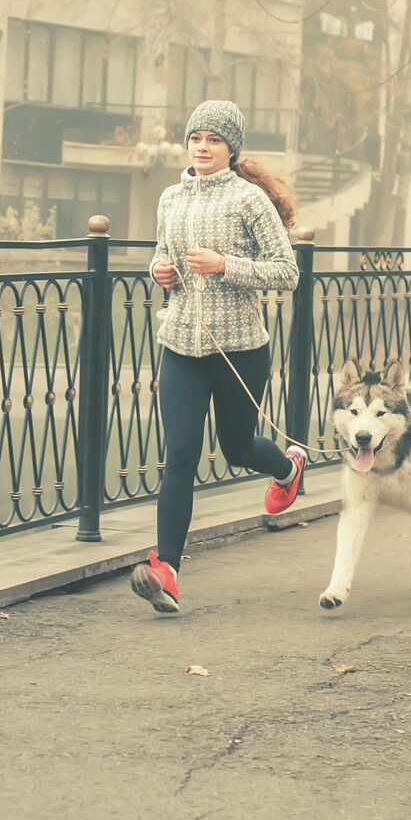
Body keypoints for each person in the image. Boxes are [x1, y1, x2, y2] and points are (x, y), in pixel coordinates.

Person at [130, 99, 304, 614]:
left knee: (235, 447)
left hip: (240, 347)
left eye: (214, 140)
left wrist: (226, 264)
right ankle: (167, 570)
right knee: (179, 453)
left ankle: (287, 468)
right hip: (181, 340)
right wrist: (158, 270)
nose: (203, 148)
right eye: (196, 139)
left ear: (231, 148)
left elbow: (286, 272)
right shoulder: (169, 198)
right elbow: (163, 254)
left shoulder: (250, 200)